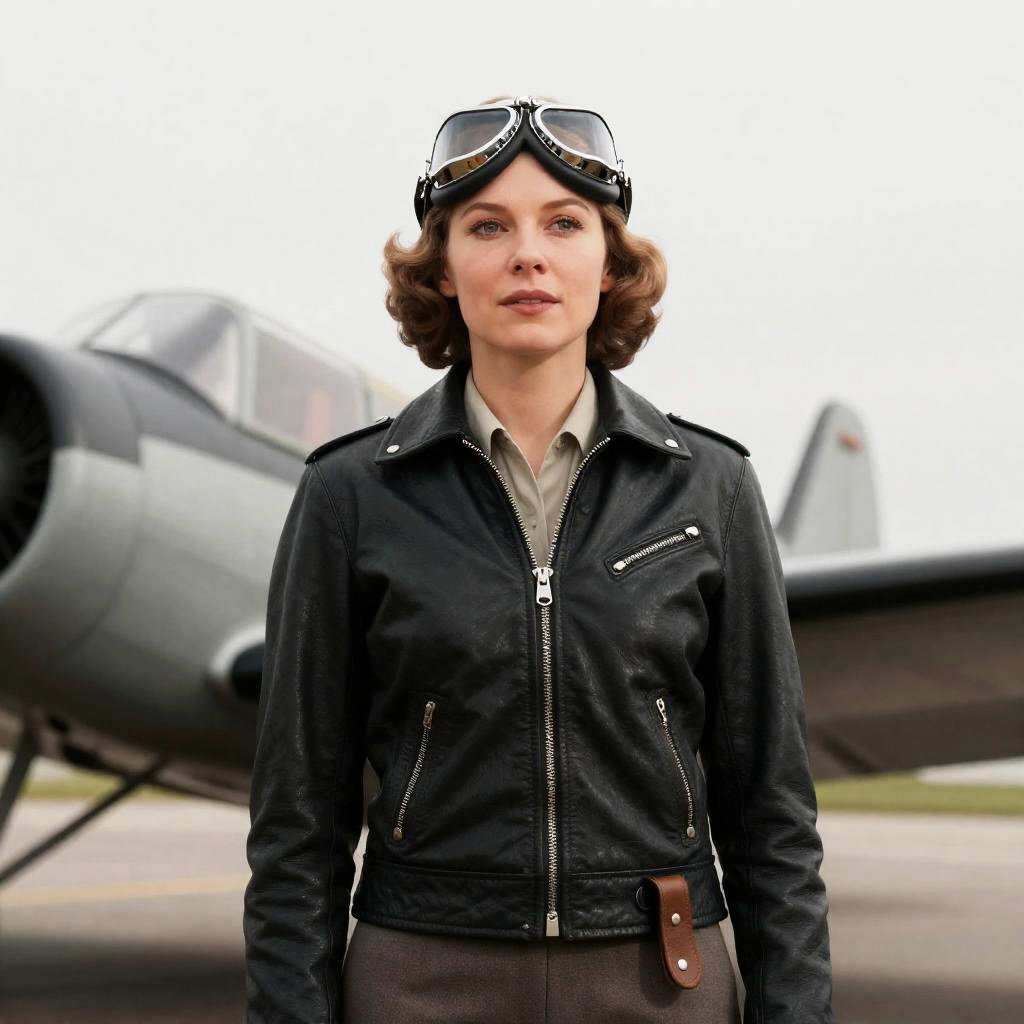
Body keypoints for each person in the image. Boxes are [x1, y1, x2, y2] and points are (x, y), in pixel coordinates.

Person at [243, 95, 833, 1023]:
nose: (529, 253)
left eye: (564, 224)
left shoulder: (712, 488)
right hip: (416, 982)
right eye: (489, 226)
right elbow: (296, 826)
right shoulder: (347, 495)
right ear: (442, 268)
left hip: (661, 980)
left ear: (609, 265)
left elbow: (773, 817)